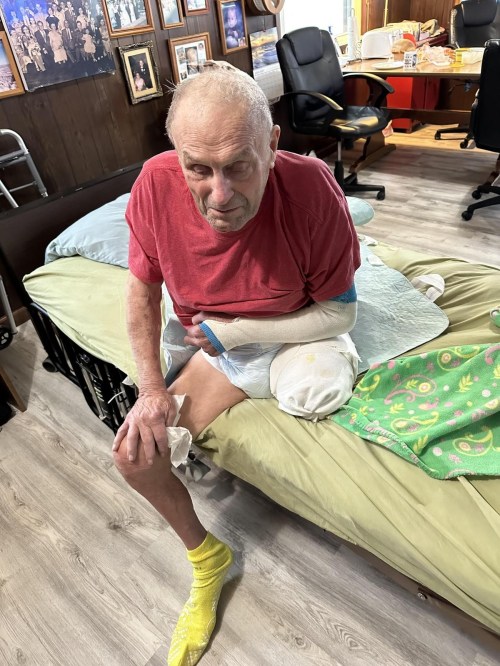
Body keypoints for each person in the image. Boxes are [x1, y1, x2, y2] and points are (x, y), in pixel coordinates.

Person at [113, 65, 360, 666]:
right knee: (135, 458)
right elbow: (141, 289)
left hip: (288, 322)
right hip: (213, 339)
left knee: (315, 391)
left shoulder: (311, 187)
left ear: (272, 145)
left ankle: (359, 246)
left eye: (238, 166)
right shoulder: (153, 184)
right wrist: (150, 388)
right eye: (198, 169)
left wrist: (235, 333)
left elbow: (340, 313)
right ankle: (209, 560)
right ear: (177, 157)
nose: (220, 196)